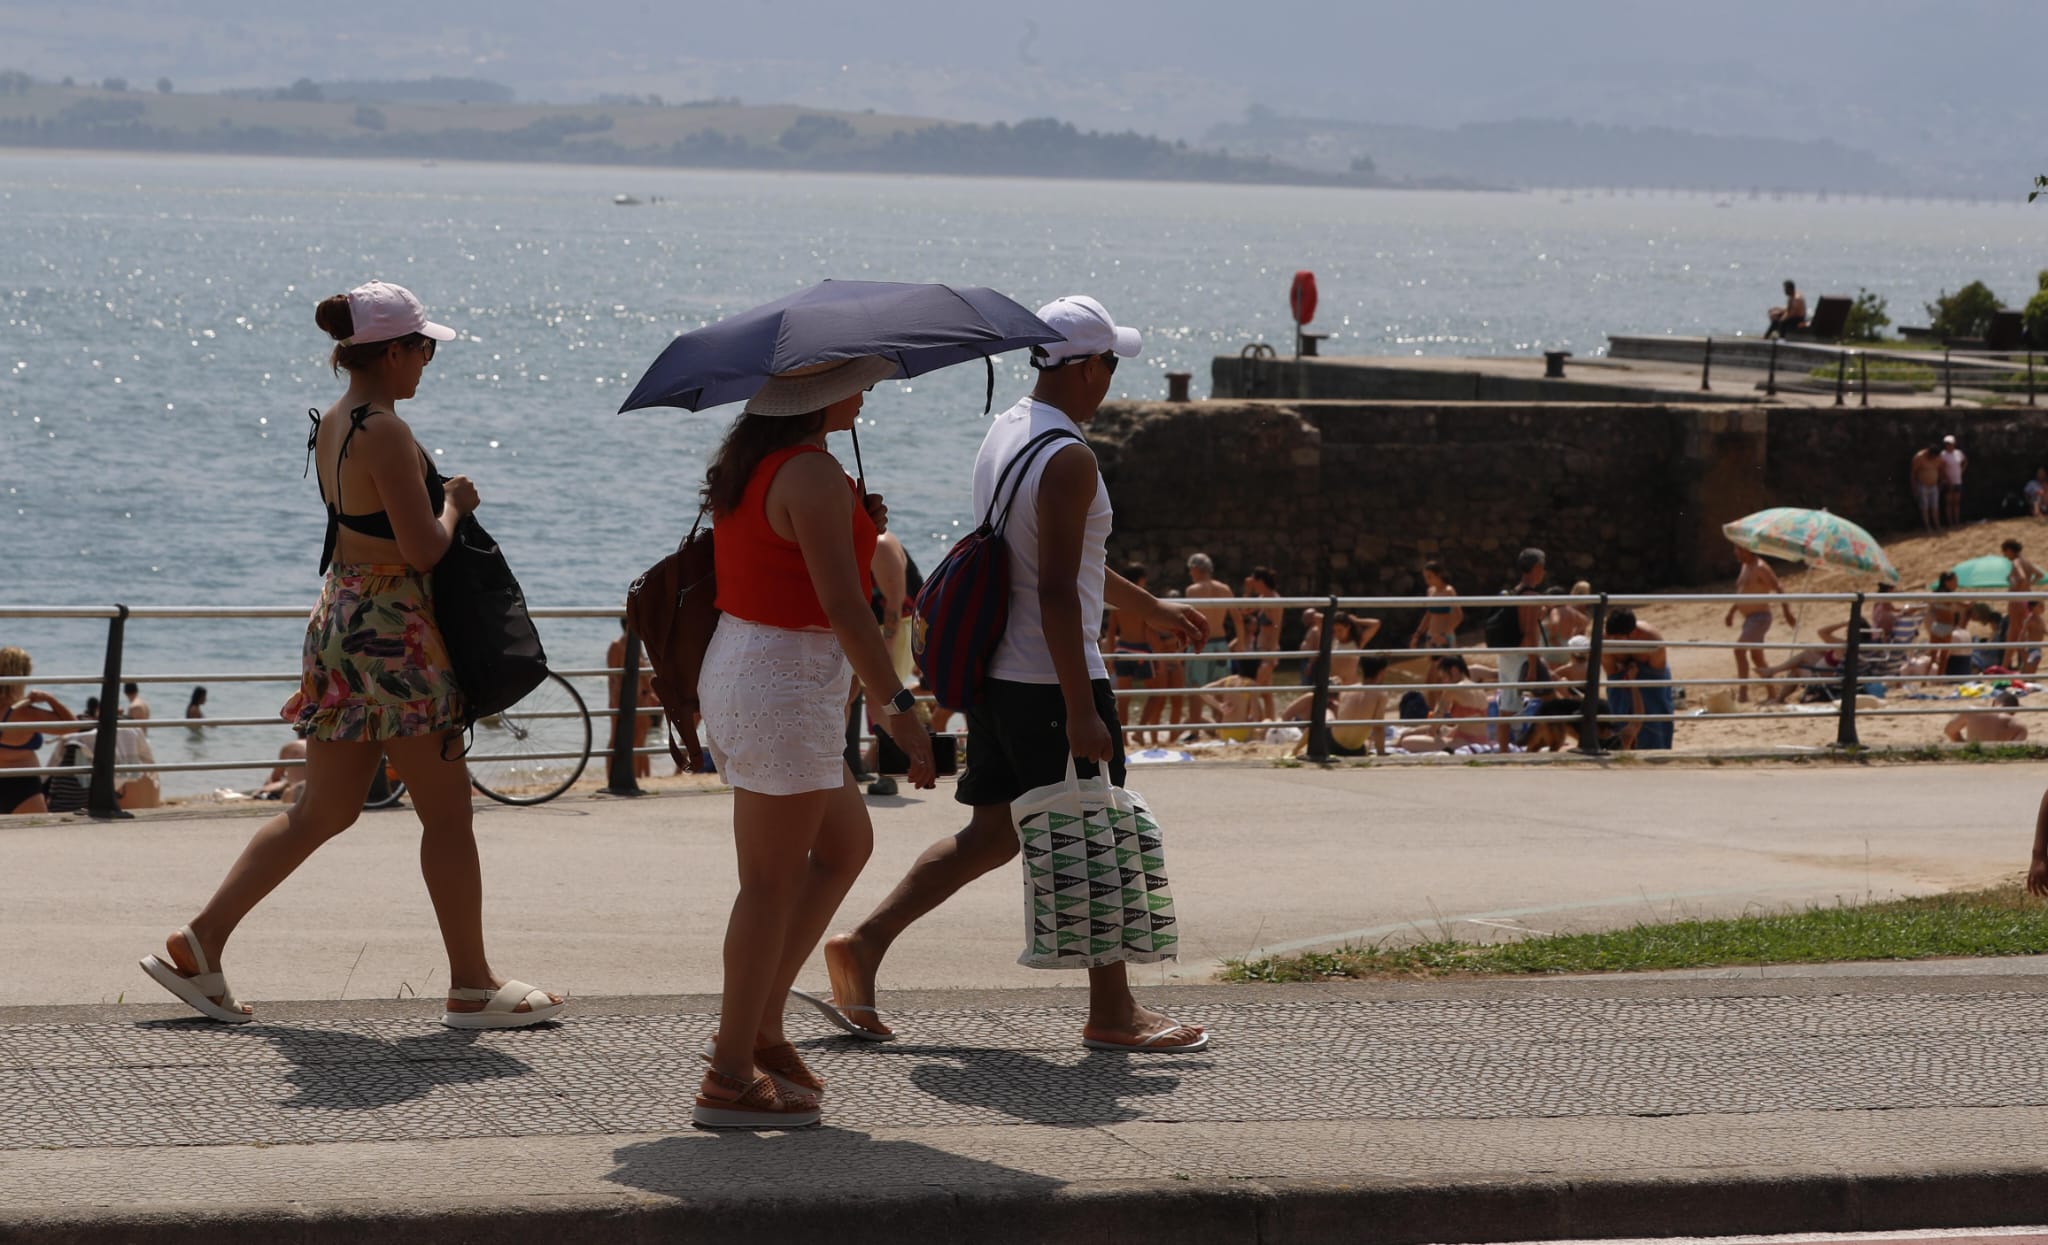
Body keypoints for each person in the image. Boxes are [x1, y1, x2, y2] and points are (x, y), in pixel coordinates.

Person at [138, 281, 565, 1035]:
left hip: (340, 615)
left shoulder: (336, 421)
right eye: (424, 349)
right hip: (394, 630)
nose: (428, 363)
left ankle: (197, 941)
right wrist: (458, 501)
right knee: (448, 816)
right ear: (394, 351)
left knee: (321, 809)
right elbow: (424, 547)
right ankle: (472, 985)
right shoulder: (388, 432)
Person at [813, 295, 1210, 1055]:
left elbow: (1045, 559)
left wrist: (1145, 603)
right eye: (1111, 366)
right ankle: (1113, 1012)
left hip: (1000, 672)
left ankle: (862, 944)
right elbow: (1057, 589)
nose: (1110, 381)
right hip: (1051, 681)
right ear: (1090, 366)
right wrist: (1081, 707)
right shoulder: (1071, 458)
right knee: (1093, 830)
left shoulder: (1011, 431)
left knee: (992, 833)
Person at [691, 355, 936, 1130]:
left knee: (844, 841)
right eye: (855, 382)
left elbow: (802, 568)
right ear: (819, 395)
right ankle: (730, 1069)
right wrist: (896, 703)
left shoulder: (764, 463)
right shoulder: (812, 474)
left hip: (755, 664)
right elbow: (844, 605)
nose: (864, 393)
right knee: (768, 880)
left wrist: (858, 520)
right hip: (785, 679)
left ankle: (761, 1025)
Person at [1, 647, 78, 815]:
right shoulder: (23, 712)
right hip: (23, 787)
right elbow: (72, 726)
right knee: (35, 837)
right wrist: (50, 699)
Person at [1725, 546, 1796, 703]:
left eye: (1738, 550)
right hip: (1749, 619)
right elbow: (1743, 592)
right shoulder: (1745, 567)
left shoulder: (1760, 567)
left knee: (1739, 650)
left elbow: (1778, 588)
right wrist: (1732, 611)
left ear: (1747, 550)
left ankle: (1743, 693)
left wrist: (1787, 612)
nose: (1735, 553)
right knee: (1757, 657)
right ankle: (1772, 693)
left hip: (1759, 618)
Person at [1603, 608, 1673, 750]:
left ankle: (1657, 748)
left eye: (1618, 638)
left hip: (1650, 676)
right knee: (1617, 711)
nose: (1614, 641)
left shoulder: (1651, 640)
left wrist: (1636, 680)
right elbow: (1611, 672)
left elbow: (1657, 673)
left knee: (1654, 712)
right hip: (1620, 675)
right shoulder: (1606, 641)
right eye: (1612, 637)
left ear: (1633, 633)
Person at [1494, 548, 1548, 716]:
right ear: (1537, 567)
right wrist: (1533, 666)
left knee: (1507, 705)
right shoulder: (1530, 596)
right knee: (1551, 699)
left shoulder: (1514, 592)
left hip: (1508, 654)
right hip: (1524, 658)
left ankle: (1505, 744)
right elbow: (1530, 632)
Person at [606, 618, 656, 780]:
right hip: (623, 701)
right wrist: (618, 703)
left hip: (642, 699)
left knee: (640, 740)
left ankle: (642, 778)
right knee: (616, 740)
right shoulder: (617, 646)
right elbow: (614, 680)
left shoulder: (637, 645)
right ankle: (612, 777)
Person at [1232, 565, 1283, 722]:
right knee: (1266, 692)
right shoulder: (1262, 599)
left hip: (1268, 651)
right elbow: (1243, 610)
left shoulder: (1274, 600)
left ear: (1260, 581)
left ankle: (1244, 720)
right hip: (1261, 650)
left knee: (1251, 689)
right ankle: (1269, 722)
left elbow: (1276, 627)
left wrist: (1271, 655)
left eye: (1254, 582)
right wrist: (1247, 591)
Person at [1182, 553, 1235, 686]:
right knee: (1220, 694)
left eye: (1190, 569)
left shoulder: (1192, 590)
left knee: (1196, 693)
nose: (1190, 573)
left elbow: (1188, 620)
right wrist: (1240, 643)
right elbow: (1238, 619)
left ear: (1195, 568)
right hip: (1221, 645)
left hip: (1201, 643)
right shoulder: (1225, 589)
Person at [1927, 571, 1973, 679]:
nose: (1956, 584)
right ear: (1947, 582)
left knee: (1933, 656)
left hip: (1936, 626)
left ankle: (1924, 680)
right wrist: (1974, 600)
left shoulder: (1936, 594)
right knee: (1943, 657)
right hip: (1947, 627)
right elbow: (1965, 605)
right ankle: (1939, 679)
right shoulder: (1950, 595)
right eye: (1954, 581)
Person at [2004, 538, 2042, 670]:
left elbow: (2022, 577)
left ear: (2009, 550)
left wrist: (2018, 588)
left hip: (2017, 601)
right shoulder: (2027, 562)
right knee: (2015, 635)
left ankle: (2026, 665)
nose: (2005, 555)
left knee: (2014, 636)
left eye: (2005, 552)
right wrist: (2028, 586)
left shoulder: (2016, 562)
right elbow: (2039, 575)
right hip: (2025, 600)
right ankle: (2006, 666)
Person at [1410, 561, 1463, 650]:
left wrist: (1444, 634)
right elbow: (1428, 615)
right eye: (1425, 577)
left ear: (1438, 575)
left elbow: (1459, 616)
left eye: (1429, 577)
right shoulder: (1430, 591)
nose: (1426, 580)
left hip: (1445, 636)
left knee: (1449, 662)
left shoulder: (1448, 591)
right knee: (1433, 663)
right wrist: (1417, 635)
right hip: (1431, 635)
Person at [1944, 691, 2029, 743]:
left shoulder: (1971, 712)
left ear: (1994, 702)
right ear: (2013, 712)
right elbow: (2014, 750)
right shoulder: (2020, 727)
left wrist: (1963, 744)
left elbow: (1949, 730)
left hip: (1971, 759)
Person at [1909, 445, 1943, 532]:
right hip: (1923, 486)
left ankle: (1937, 525)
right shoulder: (1919, 457)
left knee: (1935, 507)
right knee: (1925, 507)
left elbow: (1940, 470)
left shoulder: (1938, 458)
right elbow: (1913, 474)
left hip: (1934, 486)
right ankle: (1928, 527)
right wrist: (1914, 488)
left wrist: (1940, 483)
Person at [1941, 435, 1967, 528]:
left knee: (1956, 502)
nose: (1948, 445)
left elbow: (1965, 461)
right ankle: (1950, 522)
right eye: (1947, 443)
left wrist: (1961, 471)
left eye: (1950, 443)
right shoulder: (1943, 454)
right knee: (1949, 503)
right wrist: (1947, 480)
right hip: (1948, 482)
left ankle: (1956, 521)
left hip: (1958, 481)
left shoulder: (1958, 453)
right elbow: (1942, 469)